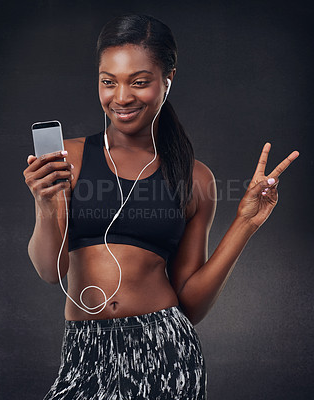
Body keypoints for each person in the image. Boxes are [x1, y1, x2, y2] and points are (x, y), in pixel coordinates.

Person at [23, 14, 299, 400]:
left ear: (167, 80)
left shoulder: (195, 179)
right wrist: (45, 203)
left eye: (139, 82)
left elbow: (192, 303)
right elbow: (51, 272)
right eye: (108, 81)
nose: (121, 97)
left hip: (166, 349)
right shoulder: (68, 158)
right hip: (85, 351)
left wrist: (245, 223)